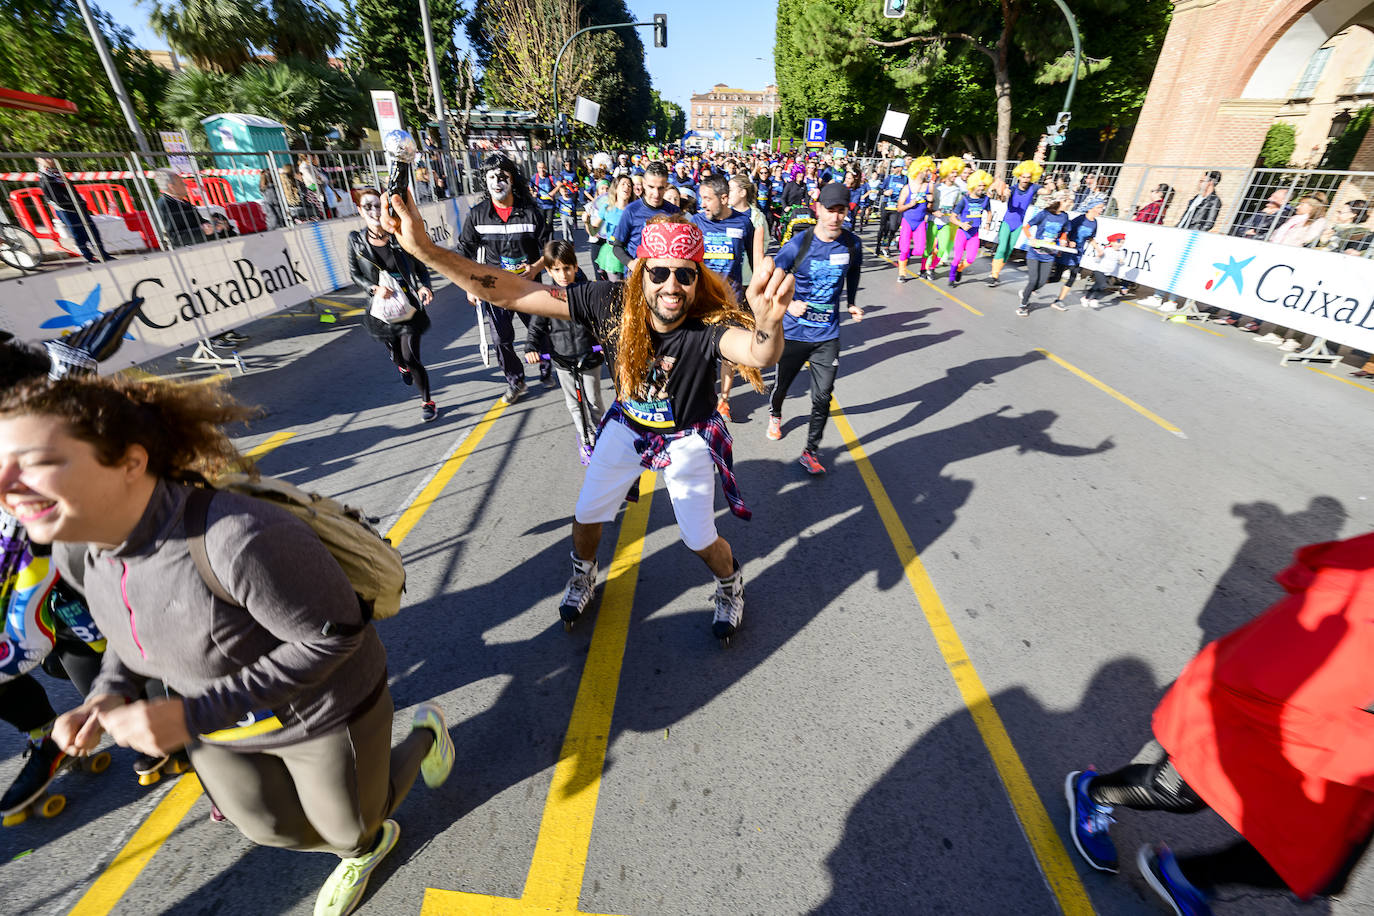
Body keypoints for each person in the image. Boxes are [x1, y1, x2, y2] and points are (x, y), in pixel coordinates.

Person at [0, 375, 455, 916]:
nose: (6, 484)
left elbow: (332, 637)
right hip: (215, 727)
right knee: (269, 829)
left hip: (321, 711)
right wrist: (107, 695)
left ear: (129, 462)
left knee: (352, 827)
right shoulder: (80, 552)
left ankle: (420, 746)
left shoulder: (237, 536)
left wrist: (193, 712)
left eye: (37, 461)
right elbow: (129, 633)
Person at [383, 195, 796, 644]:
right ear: (640, 272)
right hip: (628, 425)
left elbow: (757, 352)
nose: (671, 286)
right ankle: (583, 575)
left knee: (698, 537)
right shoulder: (610, 302)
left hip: (686, 437)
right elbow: (514, 291)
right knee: (587, 514)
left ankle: (730, 585)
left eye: (684, 274)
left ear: (698, 280)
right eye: (659, 272)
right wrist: (423, 249)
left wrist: (769, 323)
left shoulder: (706, 326)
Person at [1065, 532, 1374, 915]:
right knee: (1178, 792)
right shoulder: (1360, 603)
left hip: (1331, 753)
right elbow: (1273, 689)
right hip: (1250, 714)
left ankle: (1187, 876)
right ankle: (1091, 792)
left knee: (1317, 866)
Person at [766, 182, 865, 475]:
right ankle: (775, 413)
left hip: (827, 335)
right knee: (782, 385)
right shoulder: (799, 244)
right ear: (818, 209)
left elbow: (855, 270)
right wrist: (786, 304)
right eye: (830, 210)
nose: (835, 217)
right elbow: (770, 281)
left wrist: (852, 303)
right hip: (795, 331)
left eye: (841, 211)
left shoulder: (851, 243)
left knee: (823, 396)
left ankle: (810, 452)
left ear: (847, 212)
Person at [457, 154, 552, 404]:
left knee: (538, 330)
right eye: (491, 177)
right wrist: (470, 285)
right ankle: (515, 380)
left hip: (529, 286)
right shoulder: (478, 215)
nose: (497, 182)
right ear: (485, 182)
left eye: (503, 177)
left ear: (513, 180)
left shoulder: (532, 213)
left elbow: (550, 249)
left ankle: (546, 365)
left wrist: (535, 267)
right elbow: (464, 251)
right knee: (501, 338)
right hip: (495, 288)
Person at [348, 188, 438, 423]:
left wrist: (424, 287)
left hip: (408, 305)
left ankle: (427, 401)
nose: (374, 211)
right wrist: (373, 288)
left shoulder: (400, 236)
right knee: (398, 356)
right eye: (368, 207)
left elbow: (421, 269)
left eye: (378, 205)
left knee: (411, 356)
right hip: (382, 309)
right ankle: (400, 365)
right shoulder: (355, 241)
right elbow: (355, 274)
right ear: (360, 211)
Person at [524, 241, 606, 466]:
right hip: (561, 358)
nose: (563, 275)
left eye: (567, 268)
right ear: (549, 271)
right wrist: (531, 348)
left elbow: (602, 320)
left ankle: (603, 438)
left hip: (589, 355)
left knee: (594, 401)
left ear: (576, 267)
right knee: (573, 404)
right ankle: (585, 439)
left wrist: (607, 341)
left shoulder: (588, 291)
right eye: (557, 270)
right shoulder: (546, 296)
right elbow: (536, 326)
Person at [695, 175, 759, 421]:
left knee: (728, 354)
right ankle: (703, 396)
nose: (703, 204)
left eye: (707, 199)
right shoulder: (697, 221)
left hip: (731, 301)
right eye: (701, 198)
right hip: (702, 301)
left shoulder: (743, 223)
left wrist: (757, 290)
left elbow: (755, 259)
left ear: (724, 199)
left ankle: (723, 401)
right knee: (703, 353)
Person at [36, 157, 114, 263]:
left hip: (78, 206)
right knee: (78, 233)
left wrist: (81, 203)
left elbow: (71, 188)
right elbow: (54, 196)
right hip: (66, 209)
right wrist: (71, 204)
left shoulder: (57, 172)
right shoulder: (44, 176)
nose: (49, 160)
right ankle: (89, 257)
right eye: (46, 158)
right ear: (38, 160)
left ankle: (103, 254)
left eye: (50, 158)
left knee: (92, 230)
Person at [610, 161, 679, 272]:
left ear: (666, 186)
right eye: (651, 187)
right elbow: (617, 247)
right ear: (644, 184)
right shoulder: (631, 210)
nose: (656, 194)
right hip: (637, 274)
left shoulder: (674, 212)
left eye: (660, 188)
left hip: (665, 275)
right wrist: (631, 263)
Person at [1017, 198, 1072, 316]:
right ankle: (1023, 306)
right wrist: (1031, 238)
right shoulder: (1044, 214)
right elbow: (1026, 227)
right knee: (1033, 280)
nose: (1070, 204)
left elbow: (1064, 232)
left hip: (1049, 254)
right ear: (1061, 201)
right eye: (1069, 202)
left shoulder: (1064, 217)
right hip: (1035, 252)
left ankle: (1026, 292)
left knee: (1041, 282)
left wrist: (1063, 240)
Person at [1047, 199, 1105, 310]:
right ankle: (1035, 286)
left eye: (1102, 207)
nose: (1101, 210)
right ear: (1092, 207)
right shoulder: (1080, 219)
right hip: (1066, 251)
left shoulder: (1094, 223)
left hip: (1077, 254)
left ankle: (1059, 301)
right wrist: (1068, 241)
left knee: (1072, 277)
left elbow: (1090, 238)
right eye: (1099, 207)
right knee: (1056, 277)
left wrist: (1098, 249)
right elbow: (1065, 230)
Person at [946, 170, 993, 286]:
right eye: (980, 185)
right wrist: (961, 224)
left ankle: (959, 269)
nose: (982, 188)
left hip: (974, 234)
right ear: (973, 185)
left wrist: (987, 223)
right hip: (962, 233)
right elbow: (952, 218)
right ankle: (951, 278)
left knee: (971, 259)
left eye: (984, 185)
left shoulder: (985, 199)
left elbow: (989, 212)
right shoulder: (964, 200)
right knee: (957, 258)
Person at [153, 169, 219, 249]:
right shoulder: (164, 205)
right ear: (172, 186)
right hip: (189, 250)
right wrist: (202, 231)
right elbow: (174, 238)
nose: (185, 185)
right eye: (181, 183)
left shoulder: (182, 202)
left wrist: (216, 224)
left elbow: (199, 222)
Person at [895, 158, 934, 283]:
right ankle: (902, 273)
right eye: (927, 170)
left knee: (920, 250)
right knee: (904, 249)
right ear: (920, 170)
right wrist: (910, 205)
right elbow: (899, 208)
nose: (929, 173)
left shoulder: (929, 187)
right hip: (907, 221)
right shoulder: (907, 188)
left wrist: (931, 201)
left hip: (920, 222)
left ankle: (905, 253)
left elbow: (929, 208)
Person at [1079, 232, 1126, 308]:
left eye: (1122, 243)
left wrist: (1121, 262)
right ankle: (1095, 299)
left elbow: (1121, 263)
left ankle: (1085, 298)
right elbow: (1096, 260)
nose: (1120, 244)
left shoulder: (1121, 252)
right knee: (1103, 285)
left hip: (1108, 272)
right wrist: (1098, 256)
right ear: (1112, 242)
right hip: (1099, 270)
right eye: (1118, 242)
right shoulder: (1107, 250)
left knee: (1097, 286)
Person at [875, 160, 907, 256]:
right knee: (883, 227)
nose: (893, 169)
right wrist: (885, 192)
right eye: (893, 167)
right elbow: (879, 189)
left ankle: (887, 245)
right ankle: (878, 247)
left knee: (893, 227)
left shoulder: (905, 179)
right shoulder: (889, 178)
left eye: (895, 167)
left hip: (897, 207)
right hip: (887, 205)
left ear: (900, 168)